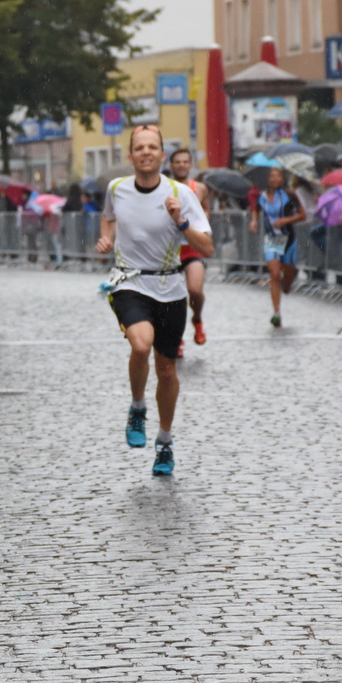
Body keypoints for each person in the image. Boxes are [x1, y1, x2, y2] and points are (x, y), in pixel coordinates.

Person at [96, 125, 213, 477]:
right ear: (130, 156)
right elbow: (108, 217)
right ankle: (137, 406)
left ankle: (164, 442)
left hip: (170, 288)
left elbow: (206, 247)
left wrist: (180, 223)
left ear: (162, 156)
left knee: (166, 369)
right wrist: (106, 238)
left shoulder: (180, 192)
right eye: (139, 148)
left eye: (152, 147)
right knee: (140, 344)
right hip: (129, 282)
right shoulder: (116, 189)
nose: (146, 152)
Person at [168, 149, 211, 345]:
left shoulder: (199, 188)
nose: (181, 165)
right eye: (177, 162)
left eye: (185, 161)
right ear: (171, 165)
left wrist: (203, 224)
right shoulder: (164, 187)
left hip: (192, 247)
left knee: (194, 291)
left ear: (190, 165)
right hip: (170, 248)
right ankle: (176, 338)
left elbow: (206, 208)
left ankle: (198, 319)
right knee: (172, 298)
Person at [253, 165, 305, 327]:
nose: (275, 179)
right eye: (272, 176)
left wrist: (286, 220)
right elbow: (256, 210)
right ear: (267, 179)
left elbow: (302, 215)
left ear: (282, 179)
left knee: (287, 275)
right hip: (272, 239)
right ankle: (276, 312)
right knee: (274, 274)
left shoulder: (289, 195)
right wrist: (253, 221)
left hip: (288, 238)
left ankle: (287, 284)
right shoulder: (261, 196)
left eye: (278, 176)